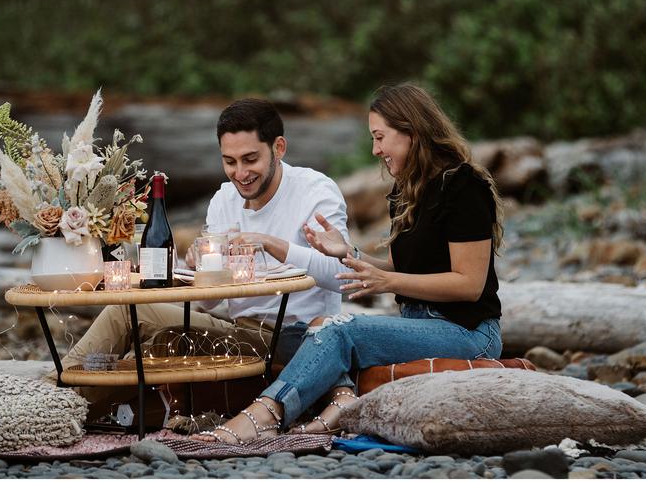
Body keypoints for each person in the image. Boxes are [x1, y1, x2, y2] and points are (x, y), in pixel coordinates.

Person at [193, 82, 504, 443]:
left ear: (412, 132)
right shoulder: (409, 190)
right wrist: (349, 254)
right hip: (419, 322)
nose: (375, 150)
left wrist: (389, 284)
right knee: (328, 323)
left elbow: (469, 285)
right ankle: (336, 404)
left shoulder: (463, 186)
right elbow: (402, 268)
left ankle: (264, 416)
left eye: (380, 137)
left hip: (469, 333)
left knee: (339, 328)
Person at [51, 98, 351, 392]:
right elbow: (209, 302)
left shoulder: (315, 192)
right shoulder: (224, 199)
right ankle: (60, 390)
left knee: (158, 342)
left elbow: (343, 276)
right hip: (239, 329)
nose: (240, 174)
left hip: (297, 338)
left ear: (279, 148)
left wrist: (275, 245)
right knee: (126, 313)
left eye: (250, 159)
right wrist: (197, 268)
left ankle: (57, 395)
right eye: (229, 162)